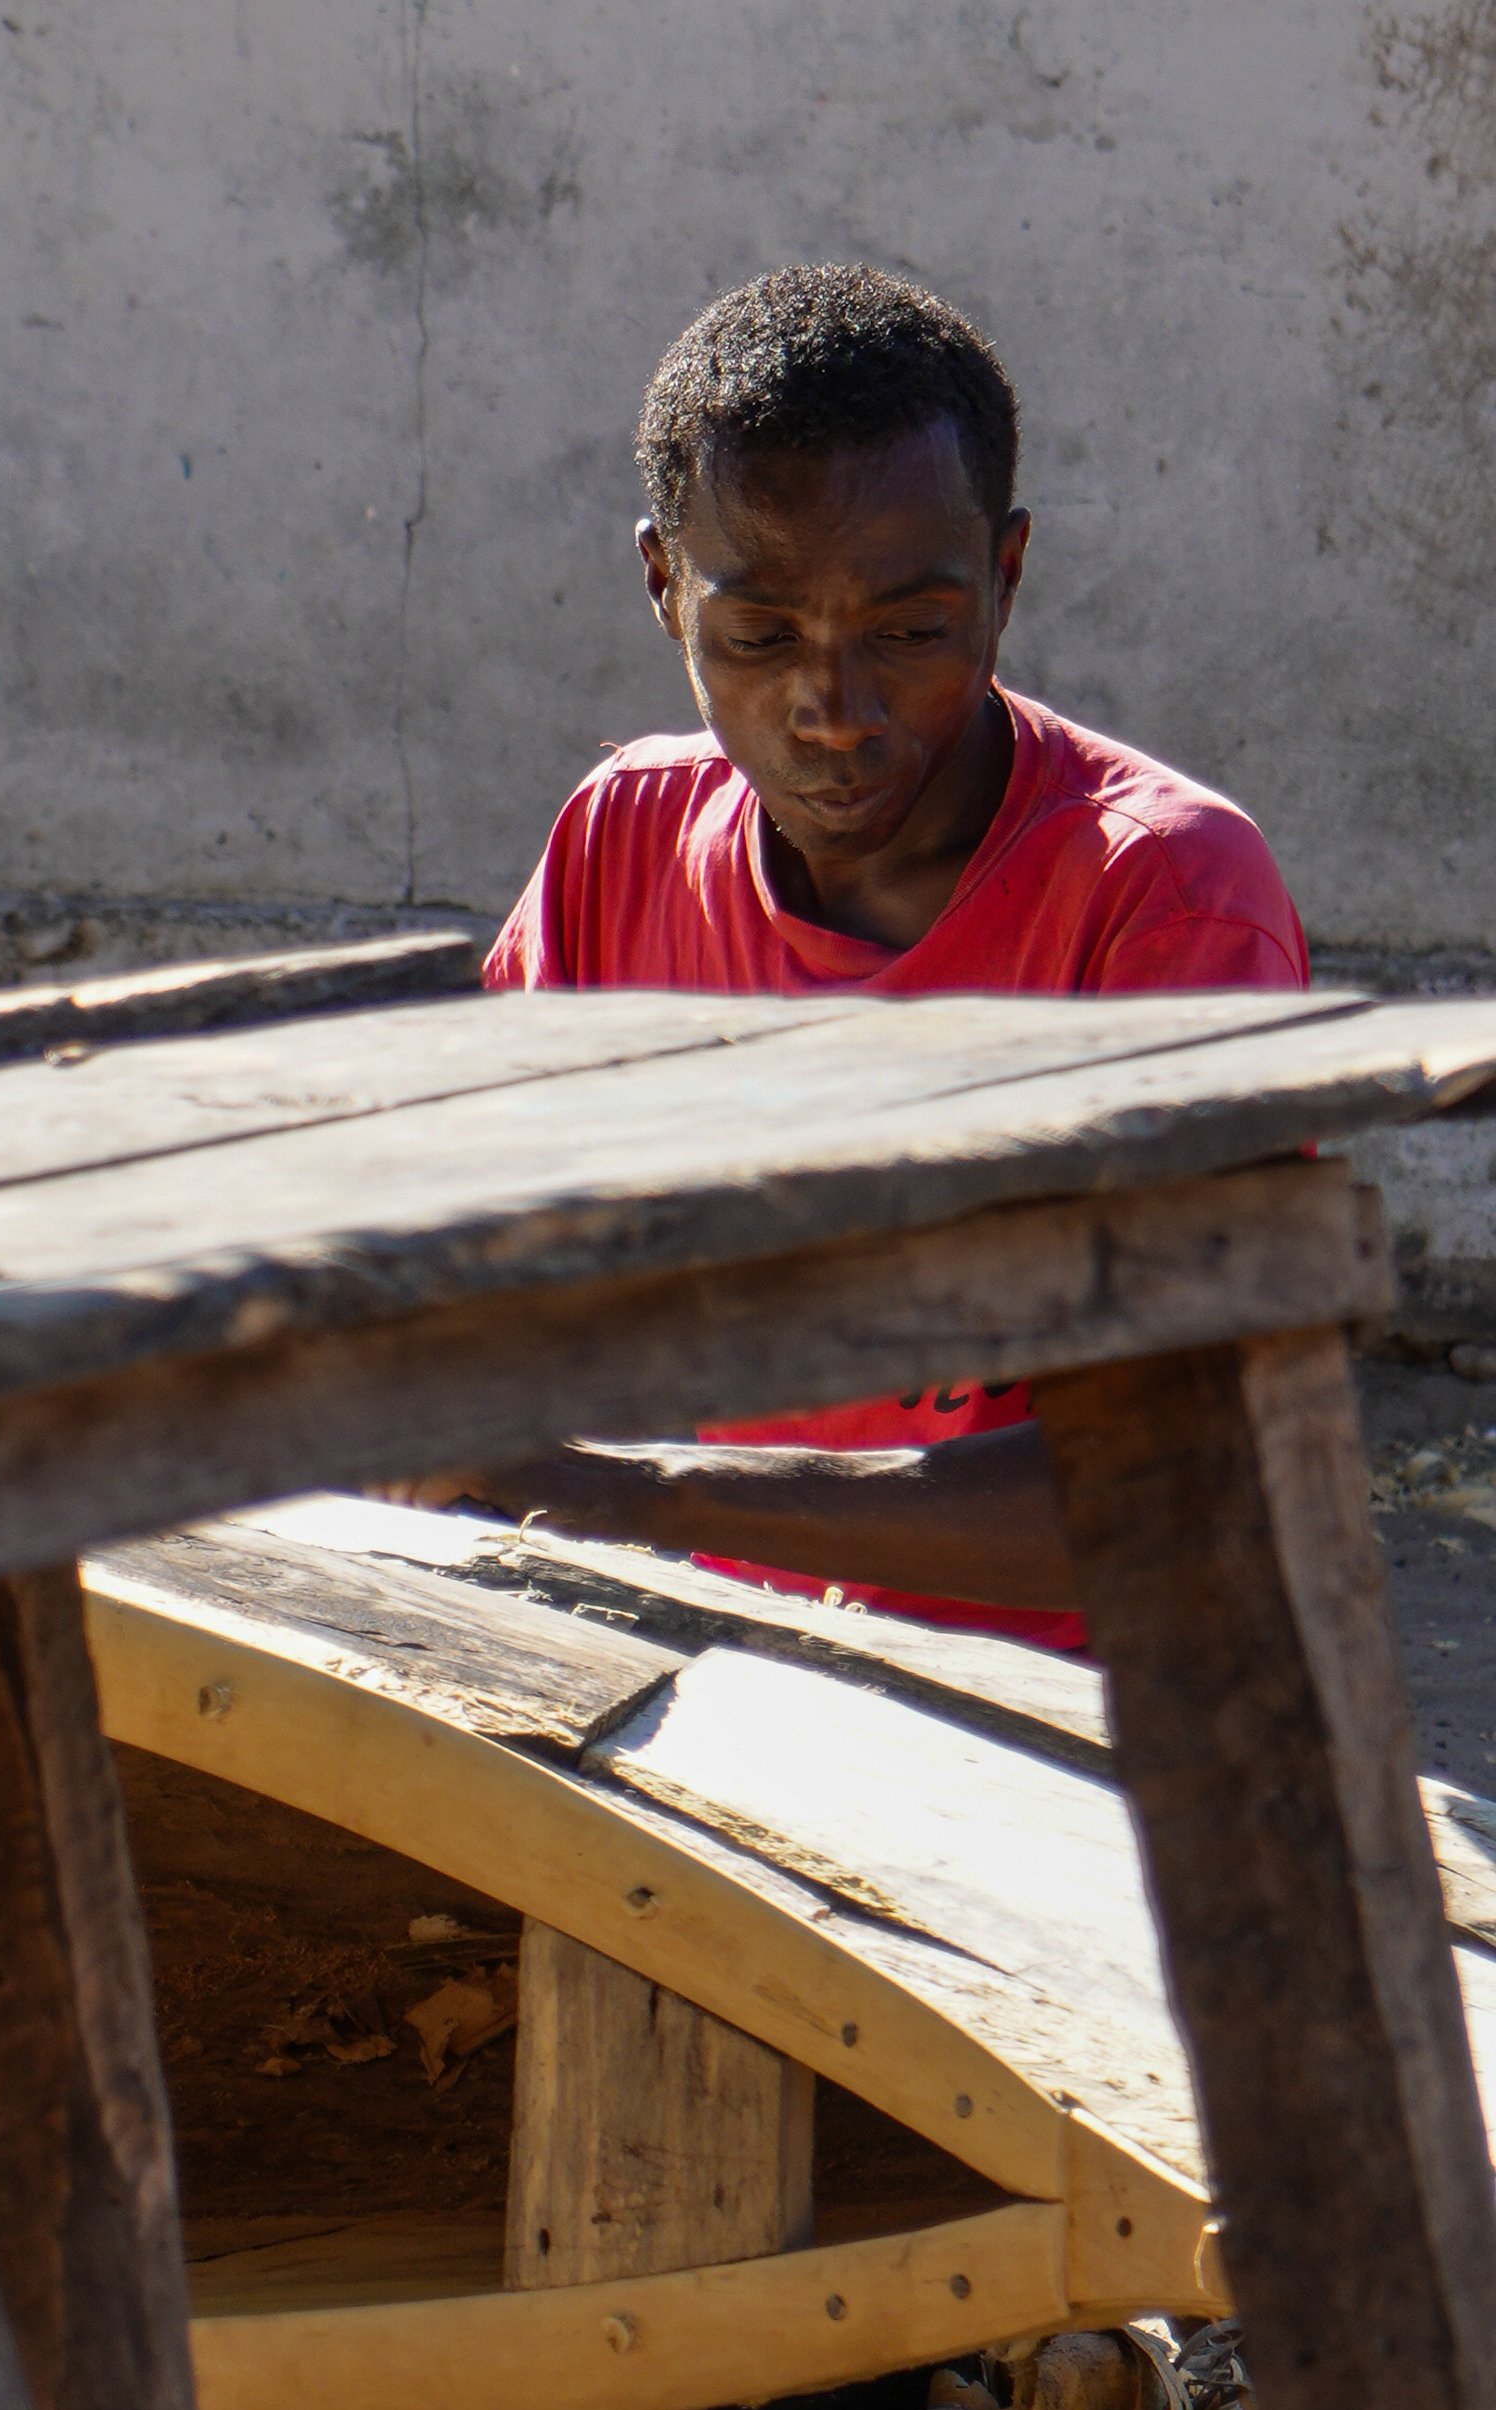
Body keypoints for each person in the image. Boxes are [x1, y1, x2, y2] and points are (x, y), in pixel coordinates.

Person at [434, 260, 1306, 1645]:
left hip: (1058, 1732)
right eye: (760, 635)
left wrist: (644, 1491)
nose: (833, 711)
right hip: (716, 1667)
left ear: (1005, 578)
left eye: (909, 632)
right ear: (664, 588)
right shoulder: (624, 843)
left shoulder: (1164, 898)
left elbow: (1183, 1486)